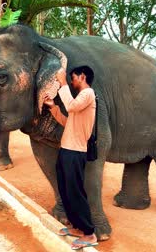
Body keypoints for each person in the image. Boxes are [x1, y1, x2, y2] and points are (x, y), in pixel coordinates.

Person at [43, 65, 98, 250]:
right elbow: (68, 122)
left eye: (73, 78)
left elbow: (72, 106)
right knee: (66, 190)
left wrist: (63, 83)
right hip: (67, 150)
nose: (72, 81)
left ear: (82, 77)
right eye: (71, 79)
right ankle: (77, 227)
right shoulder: (80, 101)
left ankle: (89, 234)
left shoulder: (88, 94)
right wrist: (53, 107)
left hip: (75, 152)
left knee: (75, 191)